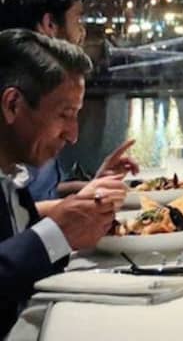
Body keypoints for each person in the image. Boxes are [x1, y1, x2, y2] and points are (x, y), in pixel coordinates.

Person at [0, 29, 124, 337]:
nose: (73, 135)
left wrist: (79, 220)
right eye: (65, 115)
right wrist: (56, 233)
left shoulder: (12, 175)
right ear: (13, 104)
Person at [0, 0, 138, 203]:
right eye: (78, 20)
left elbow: (38, 196)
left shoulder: (43, 103)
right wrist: (72, 207)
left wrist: (94, 187)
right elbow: (16, 215)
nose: (82, 33)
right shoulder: (25, 108)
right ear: (49, 24)